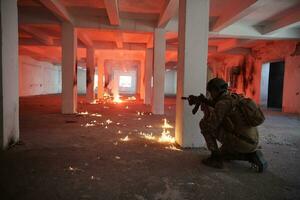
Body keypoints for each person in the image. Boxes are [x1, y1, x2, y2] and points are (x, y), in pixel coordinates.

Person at [189, 78, 268, 172]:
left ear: (216, 90)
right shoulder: (234, 97)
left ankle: (215, 159)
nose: (210, 94)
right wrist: (205, 101)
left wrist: (207, 112)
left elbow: (211, 126)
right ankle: (251, 155)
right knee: (224, 153)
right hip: (252, 141)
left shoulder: (222, 104)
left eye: (211, 92)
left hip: (242, 142)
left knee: (204, 125)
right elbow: (219, 105)